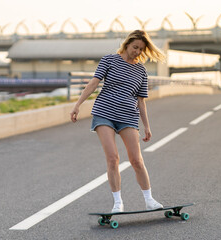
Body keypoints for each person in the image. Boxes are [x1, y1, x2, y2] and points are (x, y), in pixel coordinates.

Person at [70, 30, 166, 213]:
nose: (137, 51)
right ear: (127, 44)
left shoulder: (141, 70)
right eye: (135, 47)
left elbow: (141, 101)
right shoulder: (109, 60)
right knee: (113, 158)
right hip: (104, 112)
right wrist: (77, 105)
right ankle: (117, 203)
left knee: (136, 160)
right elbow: (93, 83)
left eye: (141, 49)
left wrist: (147, 126)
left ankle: (149, 200)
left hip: (128, 116)